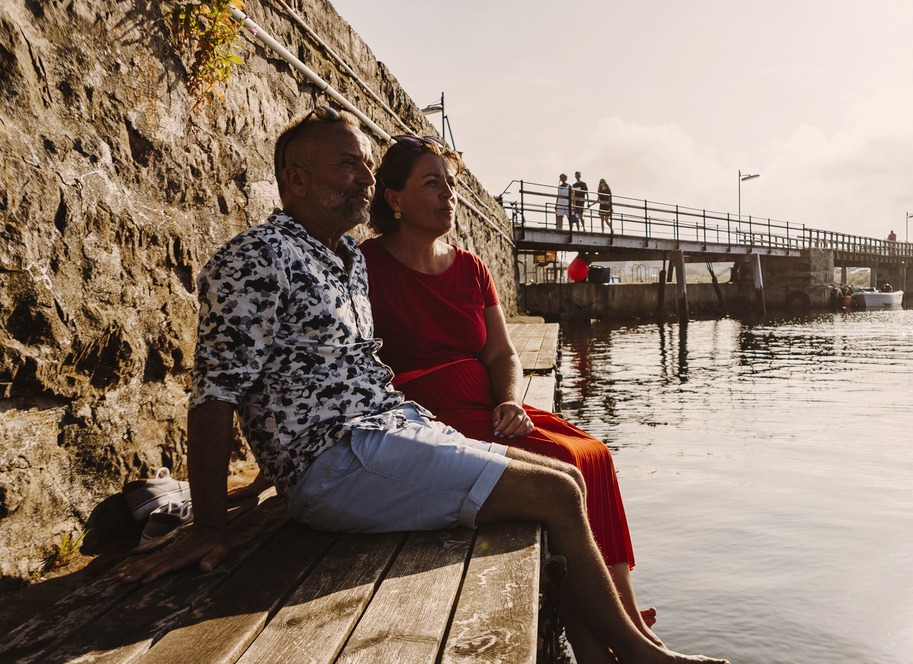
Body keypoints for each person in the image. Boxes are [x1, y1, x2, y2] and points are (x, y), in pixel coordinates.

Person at [115, 107, 726, 664]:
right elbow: (216, 392)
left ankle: (604, 652)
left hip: (388, 433)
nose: (363, 175)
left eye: (364, 163)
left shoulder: (347, 262)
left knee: (567, 476)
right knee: (558, 496)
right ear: (296, 180)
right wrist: (212, 526)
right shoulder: (255, 259)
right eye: (347, 163)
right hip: (337, 459)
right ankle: (642, 658)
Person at [361, 135, 656, 643]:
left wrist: (508, 400)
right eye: (431, 184)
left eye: (451, 184)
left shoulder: (471, 268)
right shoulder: (365, 266)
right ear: (393, 197)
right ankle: (610, 639)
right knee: (564, 464)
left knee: (597, 455)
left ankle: (626, 620)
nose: (448, 195)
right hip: (426, 416)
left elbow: (502, 354)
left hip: (486, 403)